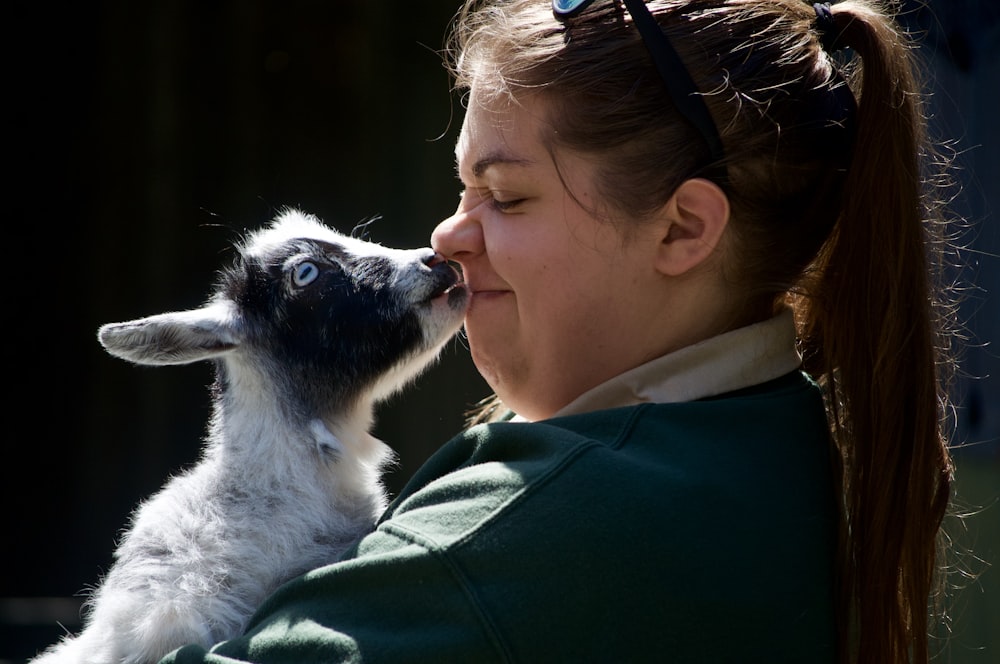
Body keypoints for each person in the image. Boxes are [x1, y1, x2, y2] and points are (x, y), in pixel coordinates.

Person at [163, 1, 960, 662]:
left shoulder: (529, 530)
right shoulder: (783, 434)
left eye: (505, 197)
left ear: (683, 229)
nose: (447, 235)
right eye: (462, 186)